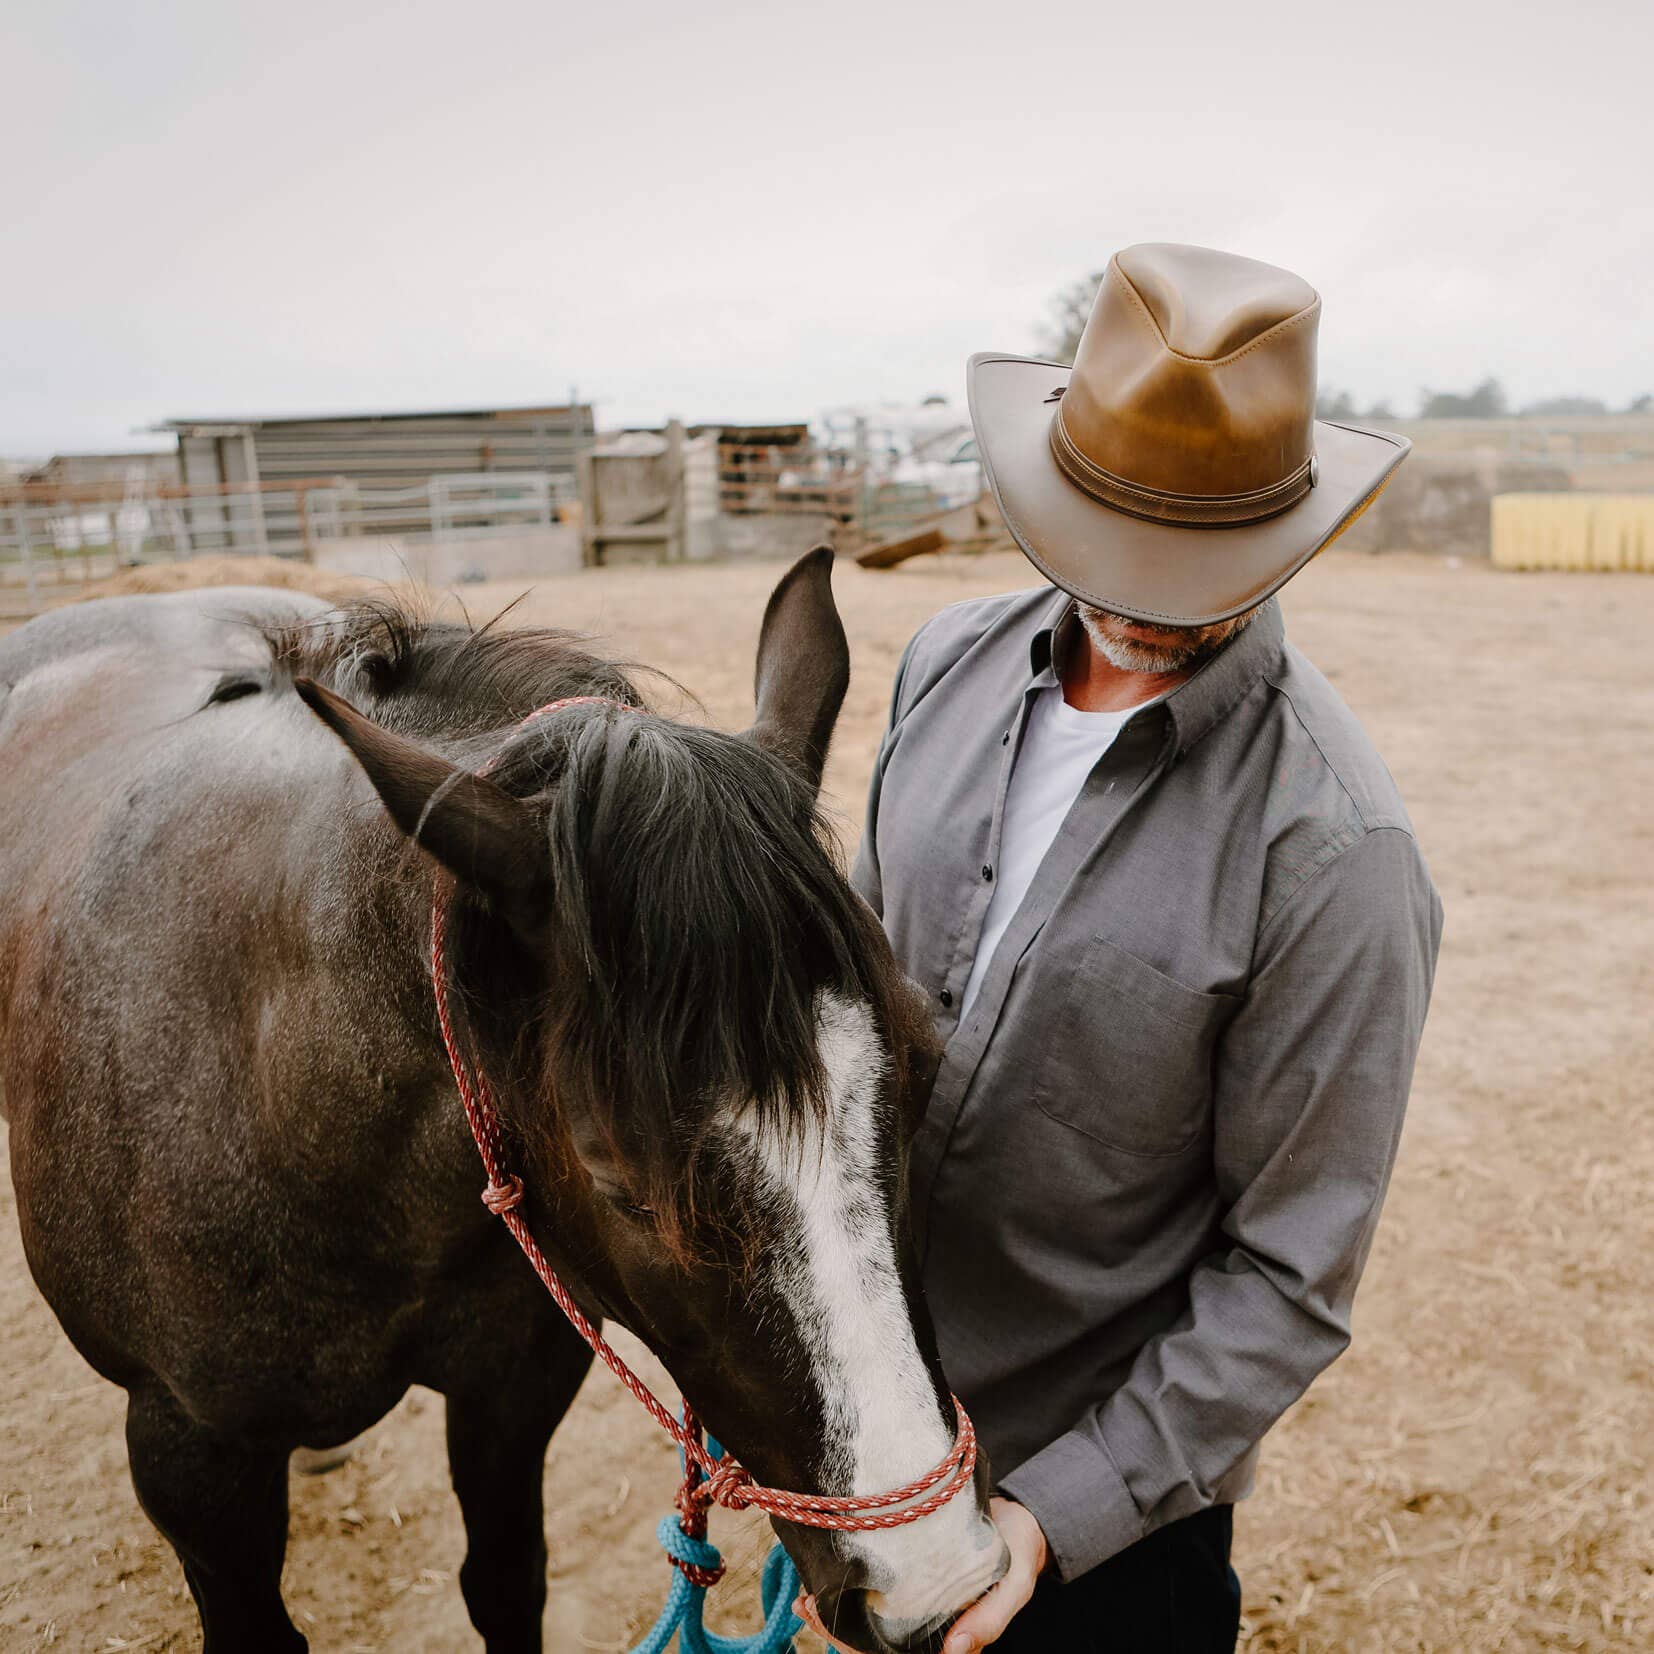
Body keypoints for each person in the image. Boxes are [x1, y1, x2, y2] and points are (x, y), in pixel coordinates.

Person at [801, 243, 1443, 1652]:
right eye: (1107, 542)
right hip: (863, 1441)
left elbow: (1285, 1276)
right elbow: (843, 1016)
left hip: (1101, 1540)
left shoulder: (1337, 854)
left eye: (1191, 561)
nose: (1141, 595)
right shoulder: (941, 665)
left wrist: (1056, 1514)